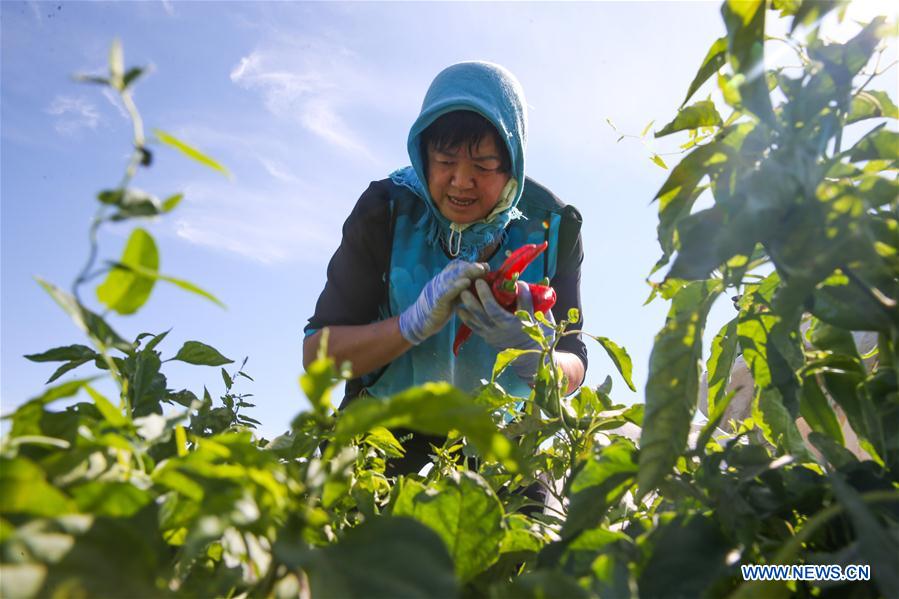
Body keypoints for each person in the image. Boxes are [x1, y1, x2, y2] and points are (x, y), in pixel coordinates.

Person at [303, 61, 587, 475]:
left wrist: (535, 357)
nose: (461, 181)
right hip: (383, 435)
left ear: (513, 165)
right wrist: (409, 325)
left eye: (483, 165)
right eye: (445, 160)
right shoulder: (386, 212)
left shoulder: (554, 227)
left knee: (527, 516)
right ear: (423, 155)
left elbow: (575, 360)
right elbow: (317, 356)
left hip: (501, 440)